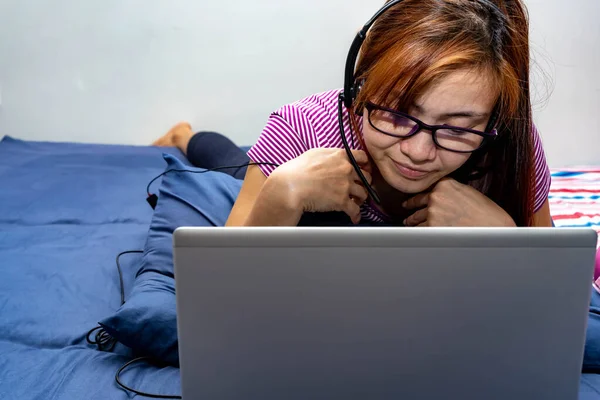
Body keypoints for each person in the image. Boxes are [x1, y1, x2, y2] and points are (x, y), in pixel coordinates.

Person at [154, 0, 553, 228]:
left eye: (456, 129)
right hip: (291, 163)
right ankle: (183, 136)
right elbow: (225, 292)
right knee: (231, 165)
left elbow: (556, 285)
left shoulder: (510, 146)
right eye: (397, 112)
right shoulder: (301, 129)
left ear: (492, 122)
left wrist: (503, 236)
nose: (416, 152)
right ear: (357, 89)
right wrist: (280, 194)